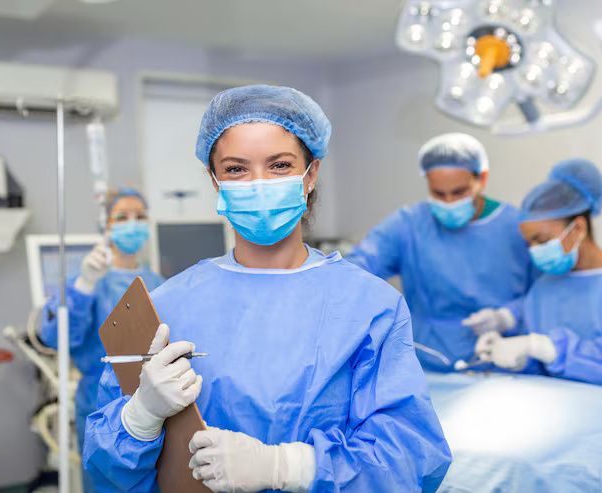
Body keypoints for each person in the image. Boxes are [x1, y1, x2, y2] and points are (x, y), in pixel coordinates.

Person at [83, 85, 451, 492]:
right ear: (215, 180)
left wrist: (285, 466)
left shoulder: (370, 307)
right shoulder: (165, 307)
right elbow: (106, 472)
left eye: (279, 165)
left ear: (311, 174)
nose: (258, 183)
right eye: (236, 169)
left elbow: (411, 458)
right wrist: (140, 419)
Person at [347, 133, 535, 371]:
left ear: (481, 179)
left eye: (459, 192)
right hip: (428, 361)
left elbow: (545, 293)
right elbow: (357, 269)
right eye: (439, 194)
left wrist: (507, 316)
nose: (449, 202)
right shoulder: (409, 224)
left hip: (503, 362)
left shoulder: (517, 227)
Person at [475, 159, 602, 393]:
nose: (534, 251)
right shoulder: (545, 288)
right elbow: (545, 370)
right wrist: (520, 358)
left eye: (541, 240)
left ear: (578, 228)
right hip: (563, 410)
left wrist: (545, 347)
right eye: (529, 243)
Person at [40, 187, 164, 477]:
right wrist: (85, 285)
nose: (132, 223)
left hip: (155, 402)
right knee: (107, 480)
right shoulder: (88, 280)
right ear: (105, 226)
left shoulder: (158, 282)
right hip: (102, 404)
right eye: (122, 217)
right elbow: (55, 337)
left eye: (140, 216)